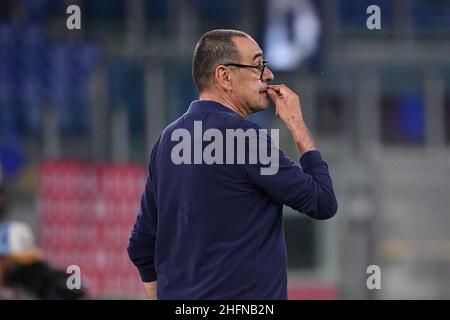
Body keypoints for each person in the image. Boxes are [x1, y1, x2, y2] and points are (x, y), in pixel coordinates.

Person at [128, 29, 338, 300]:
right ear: (224, 77)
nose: (269, 74)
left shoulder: (167, 141)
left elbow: (141, 246)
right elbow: (323, 202)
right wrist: (297, 125)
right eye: (258, 64)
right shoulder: (246, 140)